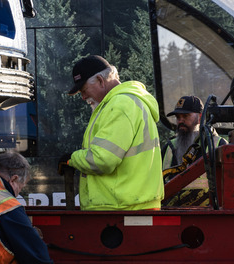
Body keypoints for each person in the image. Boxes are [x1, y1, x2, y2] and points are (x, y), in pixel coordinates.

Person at [59, 55, 164, 211]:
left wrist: (72, 160)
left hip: (120, 210)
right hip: (129, 206)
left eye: (84, 90)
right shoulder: (126, 102)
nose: (83, 97)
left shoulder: (120, 105)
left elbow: (103, 159)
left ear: (101, 81)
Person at [161, 95, 228, 206]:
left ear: (200, 116)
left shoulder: (218, 145)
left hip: (207, 216)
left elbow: (229, 184)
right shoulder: (168, 147)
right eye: (178, 117)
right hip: (173, 215)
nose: (180, 121)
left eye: (185, 116)